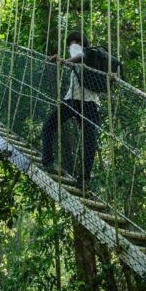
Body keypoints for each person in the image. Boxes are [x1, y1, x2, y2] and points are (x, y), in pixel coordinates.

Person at [41, 31, 101, 189]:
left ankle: (48, 162)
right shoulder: (95, 57)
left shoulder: (75, 46)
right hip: (92, 103)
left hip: (74, 100)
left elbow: (80, 57)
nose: (71, 45)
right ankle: (84, 180)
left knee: (48, 127)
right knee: (89, 142)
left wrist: (63, 60)